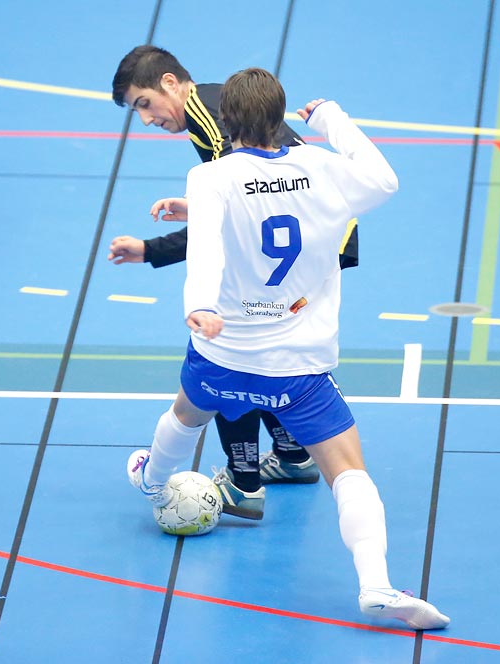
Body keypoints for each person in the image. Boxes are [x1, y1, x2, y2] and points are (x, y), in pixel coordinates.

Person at [125, 69, 448, 630]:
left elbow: (207, 250)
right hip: (299, 365)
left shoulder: (211, 178)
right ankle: (376, 586)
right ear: (282, 121)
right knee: (349, 472)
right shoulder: (323, 168)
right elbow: (385, 180)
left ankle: (152, 479)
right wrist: (330, 118)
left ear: (224, 122)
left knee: (187, 410)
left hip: (224, 355)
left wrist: (200, 305)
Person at [108, 45, 363, 520]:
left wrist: (152, 250)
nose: (145, 120)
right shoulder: (209, 107)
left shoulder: (213, 124)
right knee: (273, 347)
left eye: (143, 104)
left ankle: (244, 481)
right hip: (322, 227)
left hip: (315, 232)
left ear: (169, 83)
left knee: (238, 351)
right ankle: (292, 455)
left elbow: (233, 224)